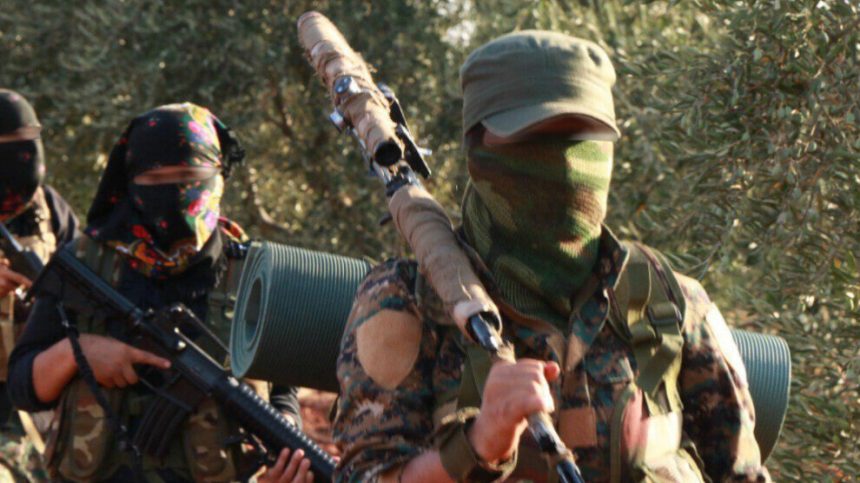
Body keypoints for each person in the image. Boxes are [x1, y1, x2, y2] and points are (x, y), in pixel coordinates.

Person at [333, 31, 771, 482]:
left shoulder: (668, 302)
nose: (564, 163)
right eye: (531, 139)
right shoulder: (410, 300)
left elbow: (742, 474)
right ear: (477, 147)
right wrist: (480, 442)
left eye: (582, 137)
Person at [7, 103, 312, 482]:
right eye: (154, 179)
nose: (175, 193)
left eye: (190, 176)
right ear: (129, 182)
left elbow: (282, 390)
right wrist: (78, 352)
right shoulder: (87, 264)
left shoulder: (253, 273)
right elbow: (22, 386)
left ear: (219, 177)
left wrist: (284, 441)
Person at [0, 88, 79, 482]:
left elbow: (85, 289)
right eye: (9, 147)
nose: (24, 158)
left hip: (42, 397)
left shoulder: (50, 209)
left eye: (29, 143)